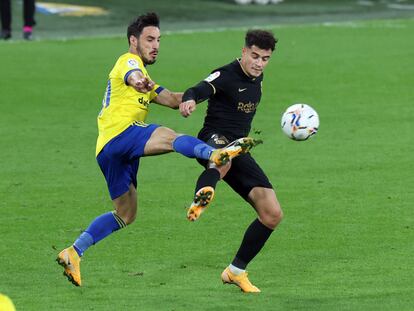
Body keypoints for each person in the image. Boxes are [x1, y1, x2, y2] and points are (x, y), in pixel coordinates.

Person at [56, 12, 258, 287]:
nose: (156, 45)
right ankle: (214, 154)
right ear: (133, 40)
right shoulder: (128, 62)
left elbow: (172, 99)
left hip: (106, 150)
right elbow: (134, 76)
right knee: (169, 136)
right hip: (121, 134)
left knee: (126, 214)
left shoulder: (146, 79)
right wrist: (140, 80)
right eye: (150, 39)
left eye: (159, 40)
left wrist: (202, 91)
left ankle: (74, 252)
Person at [179, 29, 282, 293]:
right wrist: (190, 99)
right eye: (255, 56)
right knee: (221, 159)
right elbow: (199, 87)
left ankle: (235, 272)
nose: (259, 63)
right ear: (244, 51)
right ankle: (202, 195)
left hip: (240, 148)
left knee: (272, 214)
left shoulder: (258, 76)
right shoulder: (226, 74)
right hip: (214, 138)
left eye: (265, 58)